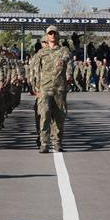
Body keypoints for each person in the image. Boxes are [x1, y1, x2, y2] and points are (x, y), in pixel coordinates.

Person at [24, 25, 74, 153]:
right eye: (50, 33)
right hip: (44, 88)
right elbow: (35, 70)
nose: (52, 35)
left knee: (59, 116)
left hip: (59, 88)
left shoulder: (64, 50)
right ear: (47, 36)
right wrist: (35, 88)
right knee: (44, 115)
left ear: (58, 35)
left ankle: (57, 143)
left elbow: (68, 62)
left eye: (54, 33)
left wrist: (68, 76)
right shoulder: (41, 53)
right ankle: (44, 143)